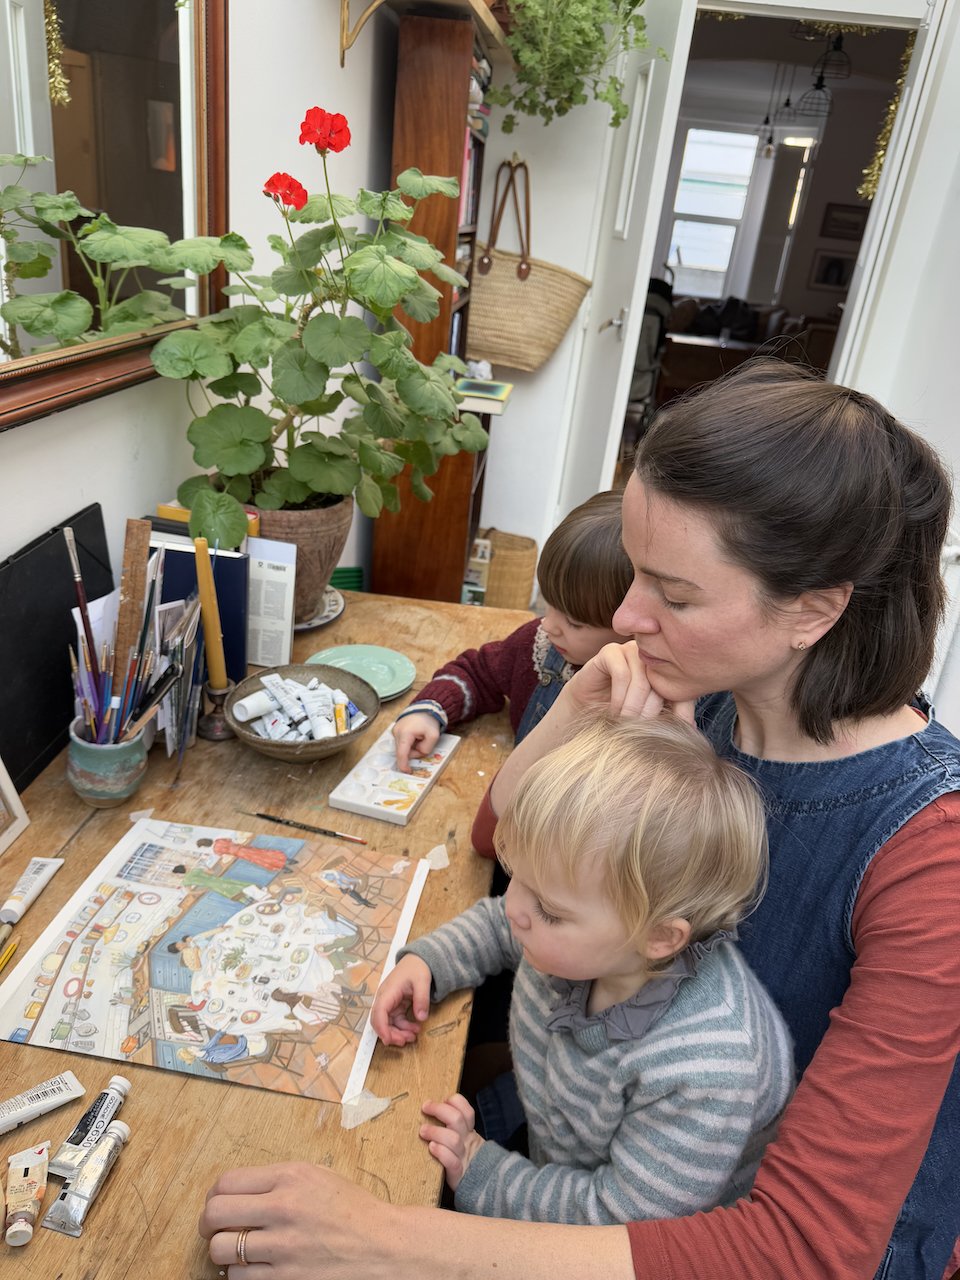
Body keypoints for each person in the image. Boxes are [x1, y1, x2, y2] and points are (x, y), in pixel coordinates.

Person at [199, 361, 960, 1280]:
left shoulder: (930, 857)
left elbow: (800, 1249)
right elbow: (505, 842)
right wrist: (577, 708)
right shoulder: (702, 705)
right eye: (638, 573)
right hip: (590, 1144)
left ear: (813, 610)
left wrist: (379, 1237)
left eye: (675, 596)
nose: (628, 616)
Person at [372, 714, 793, 1224]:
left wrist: (484, 1171)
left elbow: (622, 1217)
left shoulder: (706, 1066)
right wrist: (429, 961)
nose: (515, 909)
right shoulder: (581, 933)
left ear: (659, 937)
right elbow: (503, 927)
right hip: (552, 1133)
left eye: (548, 908)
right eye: (515, 877)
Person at [392, 489, 632, 773]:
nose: (548, 625)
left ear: (632, 631)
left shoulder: (637, 706)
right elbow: (477, 673)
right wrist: (430, 711)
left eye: (575, 623)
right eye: (549, 605)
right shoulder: (537, 645)